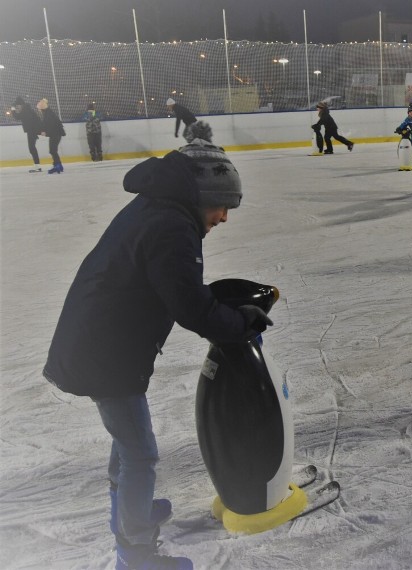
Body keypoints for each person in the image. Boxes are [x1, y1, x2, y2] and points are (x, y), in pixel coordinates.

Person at [42, 122, 273, 570]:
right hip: (107, 354)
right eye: (223, 207)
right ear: (202, 197)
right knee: (140, 453)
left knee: (128, 446)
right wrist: (239, 323)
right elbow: (190, 305)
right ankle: (136, 550)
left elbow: (177, 287)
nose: (224, 218)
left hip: (105, 343)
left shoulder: (159, 209)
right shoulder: (171, 227)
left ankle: (131, 512)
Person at [11, 96, 43, 172]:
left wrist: (13, 110)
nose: (17, 108)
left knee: (32, 148)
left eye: (17, 106)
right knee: (32, 148)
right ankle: (37, 165)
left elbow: (17, 117)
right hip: (32, 131)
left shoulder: (26, 110)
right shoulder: (26, 109)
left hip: (32, 131)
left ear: (21, 105)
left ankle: (37, 166)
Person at [37, 98, 66, 174]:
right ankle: (58, 165)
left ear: (42, 109)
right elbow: (47, 124)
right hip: (56, 134)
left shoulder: (48, 114)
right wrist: (44, 131)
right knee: (53, 150)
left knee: (52, 150)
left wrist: (44, 131)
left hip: (55, 134)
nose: (39, 111)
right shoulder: (48, 112)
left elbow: (49, 124)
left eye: (39, 109)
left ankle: (57, 165)